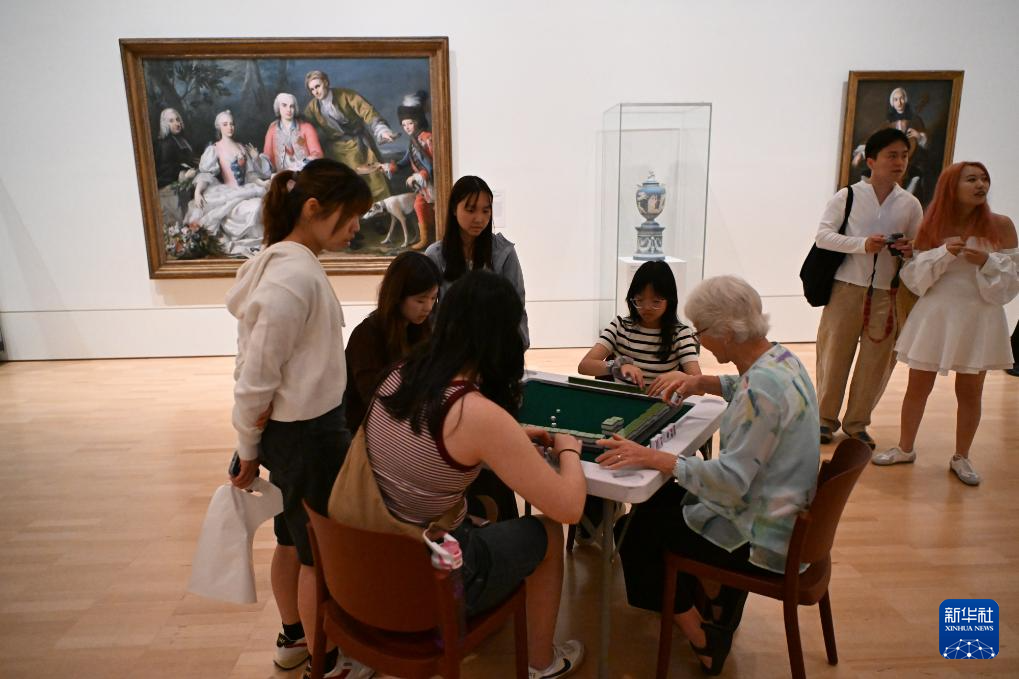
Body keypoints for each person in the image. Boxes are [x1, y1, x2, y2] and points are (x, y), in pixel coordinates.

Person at [349, 270, 587, 679]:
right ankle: (542, 663)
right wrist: (569, 449)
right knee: (548, 532)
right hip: (426, 581)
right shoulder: (473, 412)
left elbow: (433, 444)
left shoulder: (400, 372)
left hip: (370, 560)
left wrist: (507, 439)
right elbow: (569, 508)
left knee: (481, 511)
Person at [596, 275, 820, 675]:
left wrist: (654, 458)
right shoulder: (782, 358)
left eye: (701, 332)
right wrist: (699, 381)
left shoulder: (761, 392)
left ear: (726, 332)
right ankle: (716, 599)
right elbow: (746, 383)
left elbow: (730, 480)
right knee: (656, 504)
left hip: (762, 533)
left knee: (634, 536)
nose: (700, 342)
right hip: (784, 513)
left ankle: (705, 640)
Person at [226, 159, 372, 677]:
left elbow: (256, 369)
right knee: (317, 554)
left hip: (299, 433)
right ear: (312, 208)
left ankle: (295, 637)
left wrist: (252, 442)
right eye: (349, 215)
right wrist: (247, 447)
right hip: (307, 436)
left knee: (292, 539)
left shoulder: (287, 267)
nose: (356, 226)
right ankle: (324, 661)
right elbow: (255, 376)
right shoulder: (292, 277)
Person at [873, 162, 1018, 485]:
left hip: (980, 316)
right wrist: (942, 254)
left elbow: (1012, 280)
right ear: (952, 186)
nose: (980, 185)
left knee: (971, 391)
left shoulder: (1002, 225)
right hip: (937, 314)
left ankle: (962, 456)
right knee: (918, 386)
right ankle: (905, 447)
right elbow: (915, 277)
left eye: (984, 179)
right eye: (972, 179)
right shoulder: (933, 223)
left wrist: (987, 261)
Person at [814, 128, 923, 450]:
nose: (899, 162)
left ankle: (857, 424)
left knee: (876, 362)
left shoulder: (910, 204)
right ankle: (824, 420)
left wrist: (909, 249)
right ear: (871, 160)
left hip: (888, 293)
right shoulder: (847, 196)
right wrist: (863, 244)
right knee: (833, 356)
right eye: (892, 155)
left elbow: (919, 249)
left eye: (904, 156)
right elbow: (823, 236)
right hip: (845, 288)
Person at [425, 175, 530, 348]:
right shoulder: (436, 255)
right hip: (451, 347)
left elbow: (516, 304)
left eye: (486, 211)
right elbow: (429, 311)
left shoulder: (503, 252)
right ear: (454, 209)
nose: (479, 219)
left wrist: (517, 346)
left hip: (494, 346)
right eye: (470, 210)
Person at [343, 251, 441, 431]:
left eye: (433, 298)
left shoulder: (420, 329)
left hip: (405, 424)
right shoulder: (367, 335)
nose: (428, 307)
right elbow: (375, 399)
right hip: (370, 429)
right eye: (420, 300)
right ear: (397, 297)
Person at [578, 260, 701, 390]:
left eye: (656, 301)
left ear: (670, 301)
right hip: (622, 399)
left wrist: (681, 378)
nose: (646, 307)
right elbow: (584, 365)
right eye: (639, 300)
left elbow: (699, 386)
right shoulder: (619, 326)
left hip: (660, 401)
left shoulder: (680, 334)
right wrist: (617, 366)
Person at [186, 110, 273, 257]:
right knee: (256, 206)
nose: (230, 127)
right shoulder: (215, 149)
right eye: (225, 124)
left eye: (231, 124)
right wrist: (197, 192)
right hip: (229, 192)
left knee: (263, 204)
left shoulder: (241, 147)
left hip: (248, 189)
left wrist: (263, 183)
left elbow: (250, 175)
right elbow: (206, 174)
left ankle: (260, 242)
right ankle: (249, 242)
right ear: (219, 127)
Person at [302, 69, 395, 201]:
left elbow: (368, 112)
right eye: (312, 89)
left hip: (360, 145)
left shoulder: (346, 95)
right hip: (337, 151)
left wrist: (382, 129)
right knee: (346, 186)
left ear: (326, 82)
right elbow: (303, 128)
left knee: (374, 179)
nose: (315, 92)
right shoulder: (312, 108)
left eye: (318, 86)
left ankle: (381, 208)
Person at [852, 86, 931, 204]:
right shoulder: (888, 124)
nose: (899, 102)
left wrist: (918, 136)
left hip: (912, 162)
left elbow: (926, 144)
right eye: (896, 99)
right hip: (889, 164)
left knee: (913, 178)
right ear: (892, 103)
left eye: (901, 98)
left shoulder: (915, 120)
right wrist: (861, 153)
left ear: (905, 100)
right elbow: (874, 140)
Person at [383, 91, 436, 250]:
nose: (406, 128)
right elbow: (407, 160)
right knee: (420, 205)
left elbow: (435, 163)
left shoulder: (427, 138)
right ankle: (426, 238)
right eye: (404, 125)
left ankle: (429, 238)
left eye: (410, 124)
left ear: (417, 122)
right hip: (423, 185)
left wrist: (421, 175)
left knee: (425, 206)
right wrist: (393, 167)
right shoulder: (413, 140)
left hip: (433, 183)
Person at [154, 108, 199, 225]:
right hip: (169, 188)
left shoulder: (181, 139)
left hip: (186, 183)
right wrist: (183, 173)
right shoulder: (165, 143)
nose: (177, 123)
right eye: (171, 121)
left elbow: (185, 160)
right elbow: (165, 169)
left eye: (177, 120)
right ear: (165, 124)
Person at [263, 93, 323, 172]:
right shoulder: (272, 131)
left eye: (292, 106)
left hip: (305, 173)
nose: (289, 109)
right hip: (282, 175)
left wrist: (302, 164)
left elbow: (318, 154)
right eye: (284, 105)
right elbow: (268, 157)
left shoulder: (307, 128)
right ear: (278, 108)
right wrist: (258, 160)